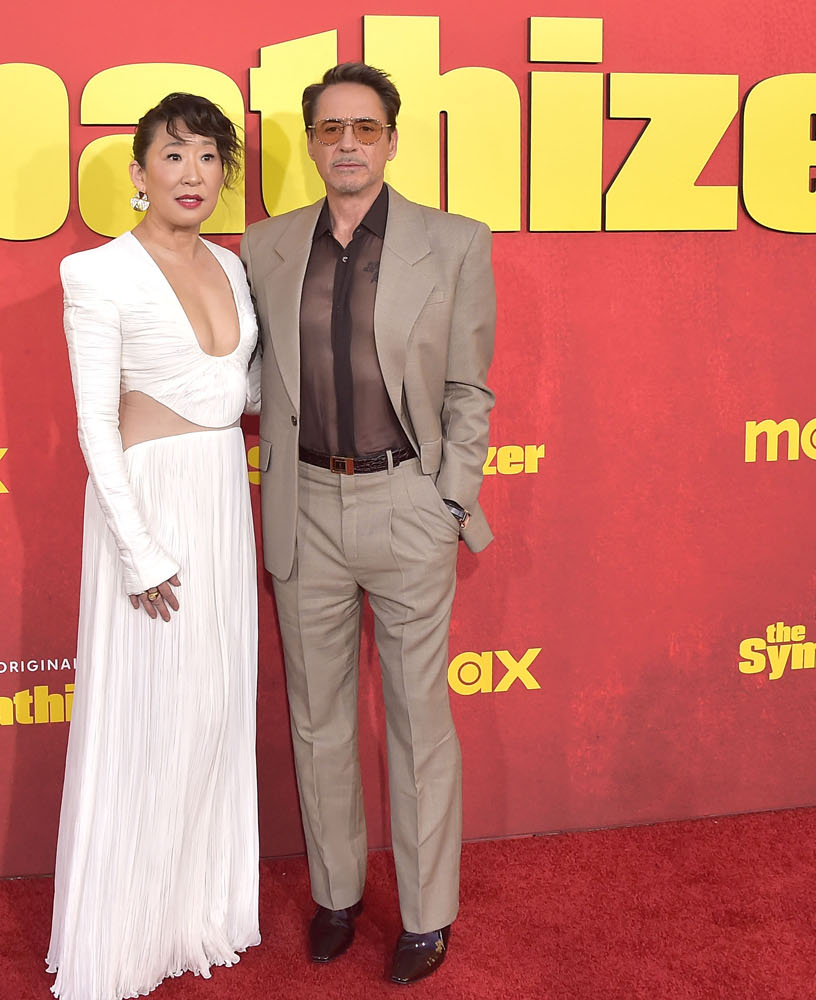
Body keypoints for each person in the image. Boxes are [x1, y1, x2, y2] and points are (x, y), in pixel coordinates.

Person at [239, 63, 496, 985]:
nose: (347, 142)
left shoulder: (455, 242)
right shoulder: (264, 246)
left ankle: (428, 916)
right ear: (312, 143)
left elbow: (468, 388)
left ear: (391, 140)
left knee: (420, 721)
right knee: (319, 720)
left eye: (365, 127)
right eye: (330, 128)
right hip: (303, 505)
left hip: (406, 504)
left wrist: (448, 499)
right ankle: (336, 895)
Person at [46, 93, 260, 1000]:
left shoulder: (234, 268)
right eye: (173, 156)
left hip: (222, 499)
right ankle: (122, 939)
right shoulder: (97, 273)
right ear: (138, 174)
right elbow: (95, 423)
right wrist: (137, 550)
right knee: (147, 720)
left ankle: (193, 916)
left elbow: (238, 393)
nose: (192, 173)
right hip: (149, 510)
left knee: (212, 713)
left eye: (209, 156)